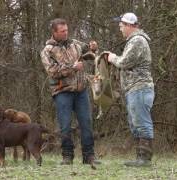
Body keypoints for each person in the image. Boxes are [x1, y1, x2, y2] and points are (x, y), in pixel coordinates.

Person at [40, 18, 100, 165]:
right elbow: (52, 72)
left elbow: (90, 51)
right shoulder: (47, 51)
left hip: (81, 91)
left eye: (67, 30)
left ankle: (89, 156)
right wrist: (73, 68)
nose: (66, 33)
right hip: (62, 92)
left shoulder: (75, 44)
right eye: (62, 31)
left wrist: (94, 47)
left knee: (86, 123)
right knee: (65, 125)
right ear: (54, 32)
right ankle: (67, 156)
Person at [105, 12, 155, 167]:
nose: (120, 29)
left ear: (128, 25)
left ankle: (144, 159)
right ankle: (140, 157)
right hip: (134, 89)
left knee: (142, 123)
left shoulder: (137, 41)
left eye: (121, 26)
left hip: (139, 88)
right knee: (135, 123)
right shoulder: (134, 40)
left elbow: (124, 62)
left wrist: (111, 57)